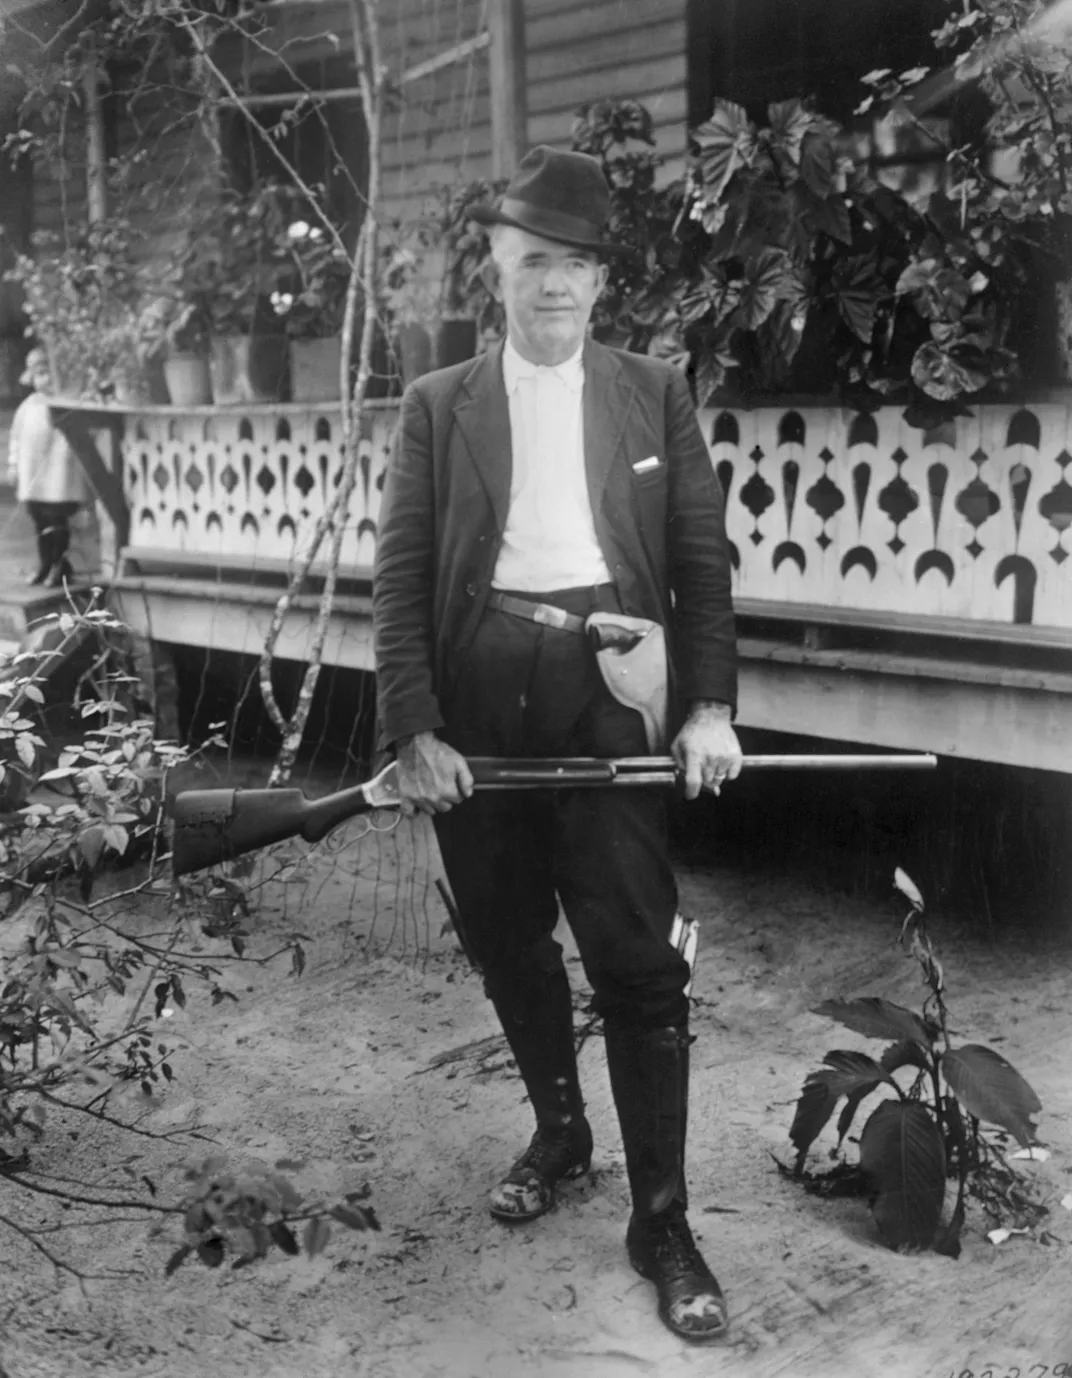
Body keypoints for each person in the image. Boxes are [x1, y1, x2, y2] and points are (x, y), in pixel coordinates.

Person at [373, 146, 742, 1344]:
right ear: (496, 266)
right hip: (478, 696)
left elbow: (698, 558)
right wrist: (415, 729)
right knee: (504, 934)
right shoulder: (440, 404)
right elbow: (397, 576)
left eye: (574, 268)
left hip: (603, 690)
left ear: (599, 283)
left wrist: (708, 707)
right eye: (532, 263)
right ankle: (560, 1129)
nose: (552, 289)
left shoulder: (652, 389)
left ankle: (663, 1219)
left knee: (637, 954)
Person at [6, 347, 90, 587]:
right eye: (39, 374)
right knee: (40, 520)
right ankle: (45, 564)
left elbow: (74, 438)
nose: (45, 380)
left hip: (58, 476)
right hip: (33, 474)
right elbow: (16, 437)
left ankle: (59, 565)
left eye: (48, 373)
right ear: (32, 379)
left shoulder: (63, 405)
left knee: (56, 520)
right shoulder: (27, 406)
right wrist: (14, 465)